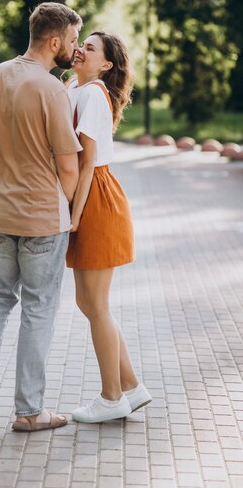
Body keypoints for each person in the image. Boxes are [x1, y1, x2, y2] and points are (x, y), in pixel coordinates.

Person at [0, 2, 83, 432]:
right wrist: (65, 208)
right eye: (72, 41)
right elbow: (69, 166)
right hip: (41, 218)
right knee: (39, 308)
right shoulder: (50, 90)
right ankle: (29, 411)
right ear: (54, 42)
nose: (76, 48)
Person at [66, 31, 152, 423]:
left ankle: (111, 396)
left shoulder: (94, 94)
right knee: (89, 303)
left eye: (92, 48)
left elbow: (86, 165)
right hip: (90, 198)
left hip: (96, 198)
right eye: (81, 42)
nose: (81, 48)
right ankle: (132, 387)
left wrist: (74, 217)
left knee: (96, 305)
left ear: (106, 64)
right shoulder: (76, 86)